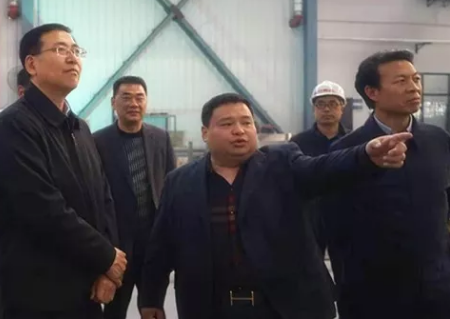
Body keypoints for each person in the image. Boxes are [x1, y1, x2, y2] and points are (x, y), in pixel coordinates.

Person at [139, 93, 411, 319]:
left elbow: (323, 168)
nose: (239, 130)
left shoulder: (283, 162)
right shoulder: (180, 181)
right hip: (210, 307)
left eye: (246, 122)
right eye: (227, 123)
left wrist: (365, 155)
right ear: (205, 133)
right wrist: (150, 297)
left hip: (284, 306)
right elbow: (162, 243)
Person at [0, 23, 127, 319]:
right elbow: (42, 209)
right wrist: (105, 256)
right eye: (61, 50)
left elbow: (104, 199)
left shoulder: (79, 128)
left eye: (76, 51)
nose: (73, 58)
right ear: (31, 65)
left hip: (87, 290)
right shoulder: (15, 127)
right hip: (38, 296)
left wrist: (107, 270)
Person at [324, 50, 450, 319]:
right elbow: (334, 229)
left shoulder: (438, 140)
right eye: (401, 81)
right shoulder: (348, 151)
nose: (414, 87)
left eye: (416, 79)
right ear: (372, 92)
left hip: (436, 291)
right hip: (373, 296)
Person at [93, 76, 176, 319]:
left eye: (139, 98)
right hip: (117, 245)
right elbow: (94, 192)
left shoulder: (160, 138)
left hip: (153, 242)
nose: (133, 103)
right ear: (113, 103)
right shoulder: (98, 141)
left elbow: (172, 185)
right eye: (126, 97)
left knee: (153, 307)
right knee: (114, 309)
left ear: (146, 102)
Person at [290, 80, 347, 257]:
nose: (327, 109)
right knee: (310, 264)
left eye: (333, 104)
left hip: (344, 214)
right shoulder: (298, 143)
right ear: (314, 109)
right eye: (320, 104)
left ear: (342, 108)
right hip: (310, 214)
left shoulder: (353, 141)